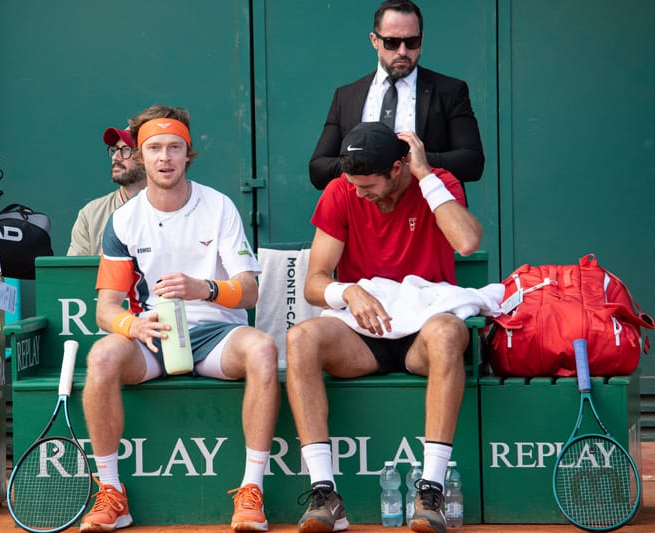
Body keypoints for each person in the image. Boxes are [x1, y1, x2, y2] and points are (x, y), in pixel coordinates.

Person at [79, 105, 280, 532]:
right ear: (138, 155)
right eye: (154, 148)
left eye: (175, 148)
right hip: (154, 337)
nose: (165, 157)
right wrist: (131, 326)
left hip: (217, 333)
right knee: (101, 357)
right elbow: (105, 308)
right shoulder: (123, 221)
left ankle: (251, 490)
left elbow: (250, 290)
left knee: (262, 348)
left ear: (189, 155)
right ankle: (111, 492)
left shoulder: (219, 206)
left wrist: (204, 288)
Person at [286, 121, 482, 533]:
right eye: (353, 184)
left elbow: (466, 242)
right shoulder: (341, 190)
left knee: (449, 333)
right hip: (362, 332)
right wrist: (349, 292)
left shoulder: (437, 182)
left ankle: (431, 490)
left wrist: (425, 174)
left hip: (422, 333)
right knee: (300, 337)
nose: (358, 193)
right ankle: (325, 493)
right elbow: (315, 282)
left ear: (398, 168)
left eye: (367, 185)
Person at [308, 0, 484, 191]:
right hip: (365, 215)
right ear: (374, 41)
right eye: (391, 42)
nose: (402, 51)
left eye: (411, 42)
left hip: (427, 212)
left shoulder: (449, 91)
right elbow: (318, 169)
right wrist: (365, 163)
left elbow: (472, 162)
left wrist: (415, 162)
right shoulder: (346, 96)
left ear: (422, 39)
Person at [66, 126, 146, 256]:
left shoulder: (172, 209)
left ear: (148, 157)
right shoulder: (91, 214)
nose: (115, 157)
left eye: (125, 150)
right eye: (114, 150)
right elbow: (76, 273)